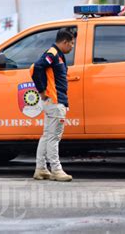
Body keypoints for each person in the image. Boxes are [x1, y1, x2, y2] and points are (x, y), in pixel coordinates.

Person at [31, 29, 75, 182]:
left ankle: (41, 169)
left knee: (47, 136)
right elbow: (37, 68)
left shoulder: (57, 54)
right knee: (54, 137)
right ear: (64, 42)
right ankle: (56, 170)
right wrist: (42, 91)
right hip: (55, 102)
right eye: (71, 43)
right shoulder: (53, 54)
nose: (72, 46)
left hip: (54, 102)